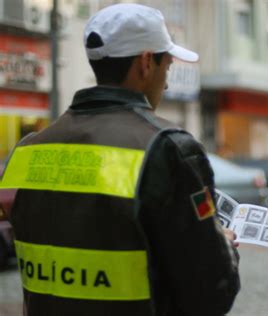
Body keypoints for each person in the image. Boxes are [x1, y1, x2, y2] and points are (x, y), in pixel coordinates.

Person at [0, 4, 239, 316]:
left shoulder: (27, 149)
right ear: (145, 63)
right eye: (166, 65)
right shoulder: (168, 148)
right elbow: (211, 292)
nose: (167, 82)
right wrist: (223, 247)